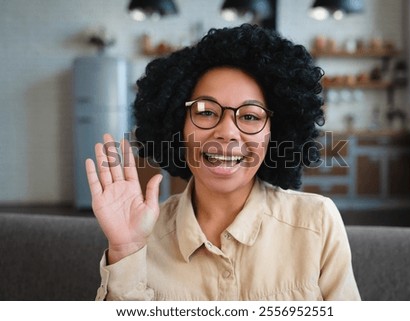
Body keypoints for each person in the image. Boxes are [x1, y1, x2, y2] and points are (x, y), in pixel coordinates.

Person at [85, 24, 361, 300]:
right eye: (206, 112)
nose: (227, 132)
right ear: (177, 126)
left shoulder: (317, 222)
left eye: (250, 116)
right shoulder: (141, 235)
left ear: (273, 134)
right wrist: (125, 251)